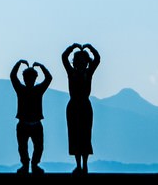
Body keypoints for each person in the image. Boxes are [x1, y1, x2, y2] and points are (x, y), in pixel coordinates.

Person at [61, 43, 100, 173]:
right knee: (75, 135)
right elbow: (64, 57)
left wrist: (90, 47)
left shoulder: (88, 73)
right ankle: (78, 165)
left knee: (85, 135)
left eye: (83, 61)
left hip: (84, 106)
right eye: (79, 61)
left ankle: (84, 164)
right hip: (74, 106)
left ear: (86, 62)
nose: (81, 63)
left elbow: (97, 59)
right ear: (75, 62)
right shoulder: (71, 72)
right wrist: (73, 47)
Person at [10, 59, 52, 174]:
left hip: (33, 124)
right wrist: (41, 66)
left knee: (36, 147)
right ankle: (28, 165)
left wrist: (19, 63)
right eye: (28, 78)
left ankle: (32, 164)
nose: (29, 80)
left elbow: (13, 76)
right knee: (24, 147)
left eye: (31, 78)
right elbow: (48, 78)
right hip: (26, 124)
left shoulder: (30, 89)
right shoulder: (26, 89)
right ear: (24, 79)